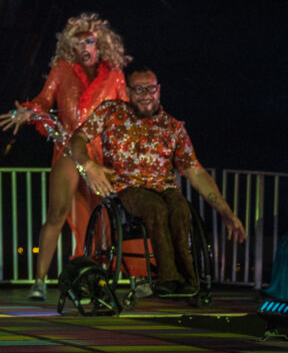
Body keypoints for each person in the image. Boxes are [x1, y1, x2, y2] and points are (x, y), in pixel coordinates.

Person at [69, 64, 245, 296]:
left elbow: (196, 172)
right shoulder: (111, 112)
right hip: (129, 187)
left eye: (150, 89)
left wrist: (226, 212)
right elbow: (77, 139)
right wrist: (89, 165)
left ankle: (190, 281)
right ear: (129, 91)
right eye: (139, 89)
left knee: (181, 209)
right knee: (156, 208)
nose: (145, 95)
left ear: (159, 90)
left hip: (163, 186)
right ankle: (169, 278)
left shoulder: (172, 128)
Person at [0, 13, 130, 300]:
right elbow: (44, 101)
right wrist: (28, 111)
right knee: (57, 212)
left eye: (90, 41)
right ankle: (39, 281)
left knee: (101, 219)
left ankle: (93, 276)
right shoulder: (62, 69)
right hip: (69, 147)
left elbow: (126, 113)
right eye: (79, 42)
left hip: (100, 153)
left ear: (100, 45)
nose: (85, 48)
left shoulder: (115, 75)